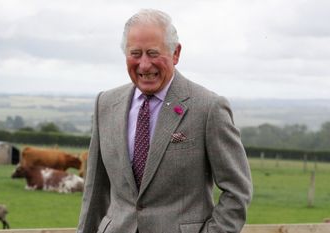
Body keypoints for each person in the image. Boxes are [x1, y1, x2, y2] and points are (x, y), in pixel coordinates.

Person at [77, 9, 252, 233]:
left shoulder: (209, 108)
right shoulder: (105, 103)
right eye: (135, 53)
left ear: (175, 53)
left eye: (152, 53)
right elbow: (95, 190)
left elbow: (237, 191)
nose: (144, 65)